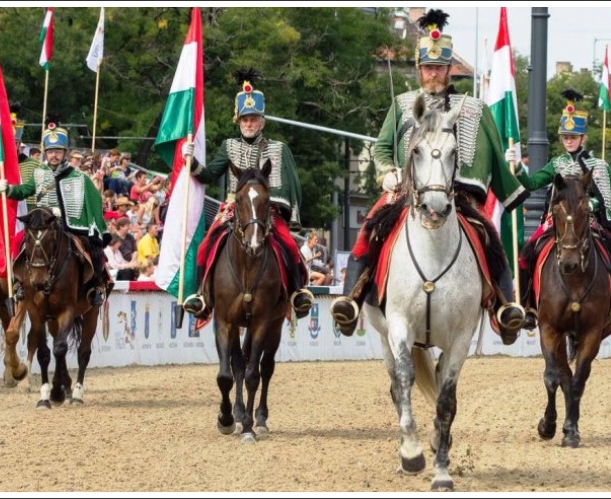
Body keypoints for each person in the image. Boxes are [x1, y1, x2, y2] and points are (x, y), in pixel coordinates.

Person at [331, 9, 529, 337]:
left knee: (489, 237)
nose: (433, 74)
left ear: (449, 70)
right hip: (408, 192)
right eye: (428, 68)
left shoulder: (474, 108)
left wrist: (515, 173)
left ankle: (504, 308)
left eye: (439, 68)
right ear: (419, 69)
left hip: (460, 196)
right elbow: (381, 148)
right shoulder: (403, 103)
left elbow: (494, 155)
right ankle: (351, 301)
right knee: (370, 228)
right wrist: (387, 172)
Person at [180, 68, 313, 320]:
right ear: (238, 121)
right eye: (244, 119)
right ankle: (202, 296)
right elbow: (208, 175)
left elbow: (287, 185)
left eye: (253, 119)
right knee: (205, 246)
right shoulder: (228, 146)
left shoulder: (278, 148)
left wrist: (270, 205)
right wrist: (190, 160)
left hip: (267, 211)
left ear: (262, 121)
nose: (249, 124)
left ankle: (298, 293)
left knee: (289, 245)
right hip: (234, 209)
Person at [512, 88, 611, 329]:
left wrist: (591, 205)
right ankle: (528, 305)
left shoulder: (598, 166)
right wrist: (517, 168)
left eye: (574, 136)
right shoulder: (556, 163)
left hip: (589, 222)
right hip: (556, 223)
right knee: (526, 253)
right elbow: (532, 183)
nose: (569, 140)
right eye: (565, 136)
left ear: (583, 138)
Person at [0, 126, 110, 306]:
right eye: (51, 151)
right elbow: (25, 190)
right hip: (43, 224)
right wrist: (8, 190)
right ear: (46, 152)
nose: (54, 155)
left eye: (58, 152)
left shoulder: (79, 176)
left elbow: (93, 201)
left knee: (93, 248)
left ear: (65, 153)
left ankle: (97, 286)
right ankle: (18, 284)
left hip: (71, 225)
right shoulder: (40, 174)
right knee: (18, 242)